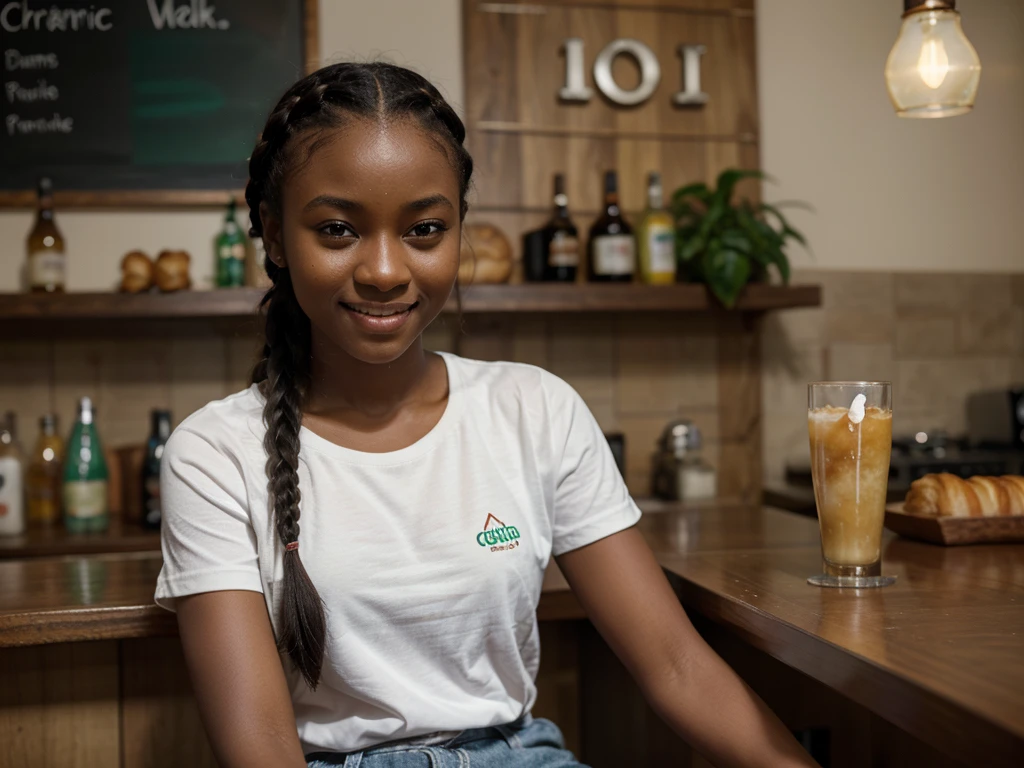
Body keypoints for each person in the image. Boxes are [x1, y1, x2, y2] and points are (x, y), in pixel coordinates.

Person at [154, 62, 817, 768]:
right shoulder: (214, 455)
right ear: (276, 236)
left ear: (459, 231)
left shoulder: (536, 410)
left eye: (425, 229)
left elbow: (677, 665)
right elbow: (260, 748)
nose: (384, 269)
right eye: (339, 229)